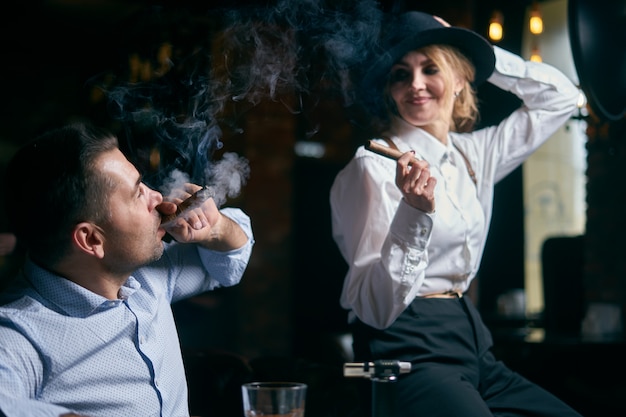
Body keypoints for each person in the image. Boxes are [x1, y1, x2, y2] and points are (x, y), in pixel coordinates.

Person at [330, 11, 582, 417]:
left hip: (474, 343)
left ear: (461, 78)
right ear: (390, 90)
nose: (415, 85)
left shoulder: (473, 155)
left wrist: (476, 52)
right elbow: (374, 307)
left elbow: (562, 97)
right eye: (400, 74)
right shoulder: (372, 167)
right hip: (408, 348)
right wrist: (413, 213)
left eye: (431, 68)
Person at [0, 122, 254, 417]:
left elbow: (233, 257)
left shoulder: (148, 273)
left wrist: (215, 229)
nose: (157, 197)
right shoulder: (21, 333)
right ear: (92, 239)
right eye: (137, 194)